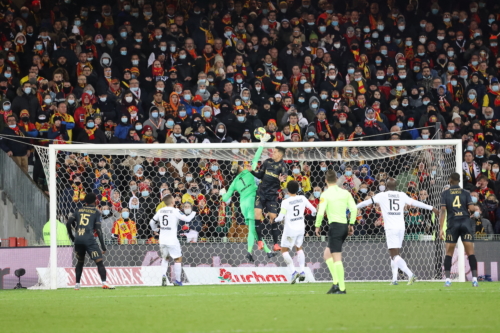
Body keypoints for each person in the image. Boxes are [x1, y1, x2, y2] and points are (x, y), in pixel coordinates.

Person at [357, 179, 439, 285]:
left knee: (394, 255)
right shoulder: (401, 194)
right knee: (396, 254)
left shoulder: (382, 195)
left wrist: (352, 207)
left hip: (391, 228)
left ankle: (411, 275)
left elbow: (366, 202)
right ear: (396, 185)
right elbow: (416, 203)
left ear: (386, 185)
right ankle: (394, 279)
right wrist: (432, 208)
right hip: (401, 227)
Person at [221, 132, 276, 262]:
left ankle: (267, 252)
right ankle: (249, 252)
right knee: (253, 229)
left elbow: (225, 199)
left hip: (242, 204)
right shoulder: (248, 172)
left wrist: (222, 193)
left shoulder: (234, 182)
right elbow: (256, 157)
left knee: (254, 228)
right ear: (240, 168)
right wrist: (262, 143)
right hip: (252, 201)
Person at [315, 170, 357, 294]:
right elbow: (354, 209)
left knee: (337, 258)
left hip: (335, 227)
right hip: (344, 226)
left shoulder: (325, 194)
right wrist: (351, 224)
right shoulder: (345, 193)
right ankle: (335, 284)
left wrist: (317, 225)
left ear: (326, 181)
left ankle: (342, 288)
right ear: (337, 180)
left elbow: (321, 211)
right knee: (327, 255)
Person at [65, 193, 114, 290]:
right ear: (95, 201)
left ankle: (77, 284)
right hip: (89, 239)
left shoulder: (78, 210)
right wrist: (103, 247)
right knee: (99, 261)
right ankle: (104, 283)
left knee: (80, 262)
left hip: (78, 239)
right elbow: (99, 230)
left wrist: (72, 237)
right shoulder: (96, 212)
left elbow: (68, 223)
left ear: (85, 201)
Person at [439, 172, 479, 287]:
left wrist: (441, 228)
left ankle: (447, 280)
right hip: (465, 223)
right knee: (470, 252)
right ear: (459, 181)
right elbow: (471, 208)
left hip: (452, 224)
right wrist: (470, 210)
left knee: (449, 252)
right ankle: (475, 279)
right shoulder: (466, 193)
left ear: (450, 180)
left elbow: (442, 211)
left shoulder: (445, 193)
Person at [149, 195, 197, 286]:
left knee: (165, 258)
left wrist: (155, 230)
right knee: (178, 259)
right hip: (172, 239)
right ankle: (178, 281)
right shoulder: (175, 211)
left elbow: (151, 222)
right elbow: (188, 219)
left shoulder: (160, 211)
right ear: (172, 202)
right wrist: (194, 211)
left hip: (162, 239)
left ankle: (163, 275)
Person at [275, 180, 316, 284]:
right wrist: (312, 216)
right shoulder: (302, 198)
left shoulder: (285, 202)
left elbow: (280, 217)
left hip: (290, 230)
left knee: (284, 250)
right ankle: (302, 271)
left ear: (287, 190)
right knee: (299, 248)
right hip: (301, 229)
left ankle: (293, 272)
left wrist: (274, 220)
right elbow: (313, 210)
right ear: (298, 189)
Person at [251, 144, 287, 251]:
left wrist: (282, 180)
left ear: (280, 154)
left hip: (272, 195)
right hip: (261, 192)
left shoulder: (283, 166)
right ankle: (260, 241)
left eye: (275, 152)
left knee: (273, 218)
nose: (272, 153)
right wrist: (251, 171)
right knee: (257, 215)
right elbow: (260, 175)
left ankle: (276, 244)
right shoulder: (267, 162)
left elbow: (284, 180)